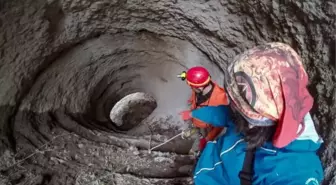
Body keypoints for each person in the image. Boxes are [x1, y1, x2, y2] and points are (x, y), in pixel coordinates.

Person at [182, 43, 324, 185]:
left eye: (234, 101)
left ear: (252, 118)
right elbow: (225, 113)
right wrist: (194, 114)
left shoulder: (296, 173)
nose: (230, 104)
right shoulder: (254, 116)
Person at [177, 66, 229, 154]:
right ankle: (195, 130)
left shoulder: (220, 99)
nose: (191, 88)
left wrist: (208, 139)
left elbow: (219, 126)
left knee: (202, 146)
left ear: (199, 87)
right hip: (198, 120)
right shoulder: (199, 87)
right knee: (197, 129)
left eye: (191, 87)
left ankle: (196, 153)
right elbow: (194, 97)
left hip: (209, 128)